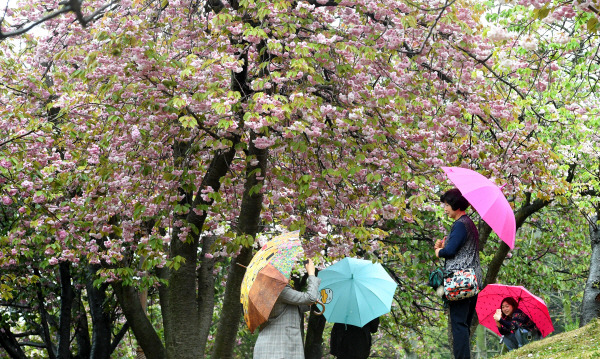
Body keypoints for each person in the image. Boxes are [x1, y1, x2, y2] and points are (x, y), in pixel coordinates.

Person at [434, 188, 483, 359]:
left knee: (459, 325)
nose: (445, 208)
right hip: (471, 280)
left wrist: (439, 251)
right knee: (464, 324)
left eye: (447, 205)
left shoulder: (461, 224)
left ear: (455, 205)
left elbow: (450, 251)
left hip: (460, 281)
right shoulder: (468, 224)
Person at [253, 258, 321, 359]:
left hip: (273, 349)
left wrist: (310, 299)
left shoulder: (270, 288)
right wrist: (311, 273)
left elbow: (299, 304)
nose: (290, 273)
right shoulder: (279, 289)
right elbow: (310, 298)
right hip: (278, 350)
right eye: (287, 269)